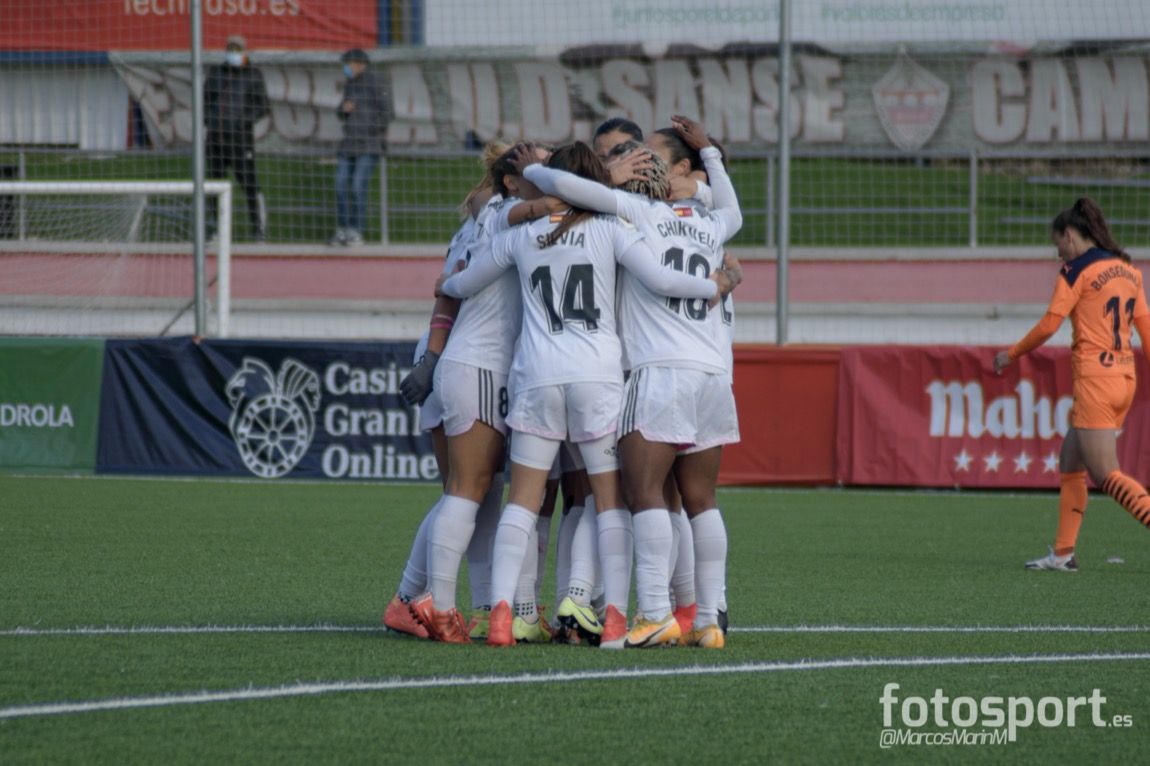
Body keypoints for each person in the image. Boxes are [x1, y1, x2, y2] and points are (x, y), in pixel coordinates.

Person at [439, 142, 736, 649]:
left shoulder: (521, 236)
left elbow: (464, 283)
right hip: (597, 378)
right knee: (609, 502)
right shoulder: (610, 228)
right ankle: (616, 619)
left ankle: (501, 615)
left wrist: (447, 282)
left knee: (523, 501)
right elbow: (662, 277)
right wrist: (716, 285)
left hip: (536, 376)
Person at [521, 115, 743, 648]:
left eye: (648, 157)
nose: (639, 160)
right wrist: (710, 159)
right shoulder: (712, 224)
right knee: (701, 500)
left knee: (641, 494)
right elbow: (734, 210)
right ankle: (708, 620)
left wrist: (541, 169)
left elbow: (560, 183)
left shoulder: (636, 212)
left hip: (660, 371)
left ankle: (656, 613)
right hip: (713, 374)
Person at [994, 197, 1150, 571]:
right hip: (1124, 378)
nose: (1057, 253)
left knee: (1106, 473)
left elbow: (1050, 323)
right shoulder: (1129, 271)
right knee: (1070, 459)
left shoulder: (1074, 271)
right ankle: (1064, 554)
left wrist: (1011, 354)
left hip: (1096, 380)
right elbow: (1146, 331)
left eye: (1057, 244)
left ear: (1069, 235)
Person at [204, 34, 269, 242]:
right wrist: (209, 120)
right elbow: (205, 99)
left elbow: (263, 106)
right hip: (215, 140)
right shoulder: (216, 72)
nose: (233, 53)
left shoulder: (253, 74)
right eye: (230, 49)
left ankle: (259, 229)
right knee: (213, 186)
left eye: (237, 49)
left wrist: (243, 122)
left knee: (250, 184)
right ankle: (216, 229)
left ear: (244, 51)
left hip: (241, 141)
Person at [331, 48, 390, 247]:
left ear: (360, 64)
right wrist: (343, 110)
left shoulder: (376, 82)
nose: (346, 68)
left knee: (358, 186)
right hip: (348, 144)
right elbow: (341, 111)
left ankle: (356, 230)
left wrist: (369, 128)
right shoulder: (350, 84)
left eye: (349, 64)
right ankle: (343, 229)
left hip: (369, 145)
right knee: (340, 184)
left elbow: (387, 113)